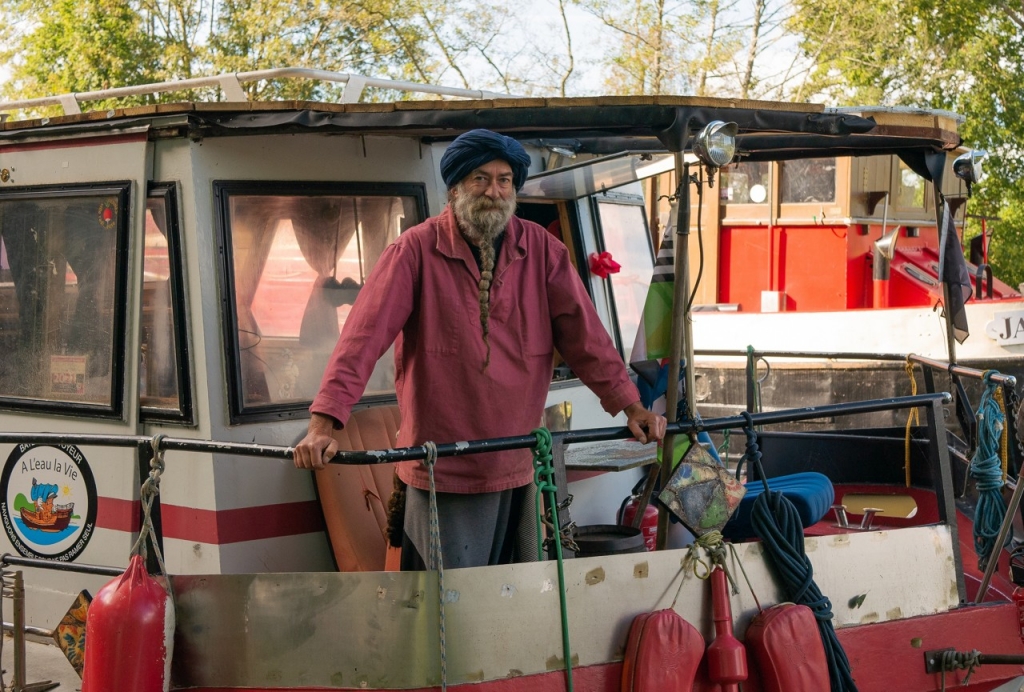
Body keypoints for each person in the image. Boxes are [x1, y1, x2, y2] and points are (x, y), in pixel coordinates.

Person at [293, 129, 665, 569]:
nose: (494, 190)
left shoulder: (543, 250)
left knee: (512, 600)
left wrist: (630, 406)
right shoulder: (413, 251)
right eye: (480, 179)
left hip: (517, 463)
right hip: (442, 470)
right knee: (447, 614)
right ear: (455, 188)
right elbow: (361, 341)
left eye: (505, 180)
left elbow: (587, 339)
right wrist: (323, 425)